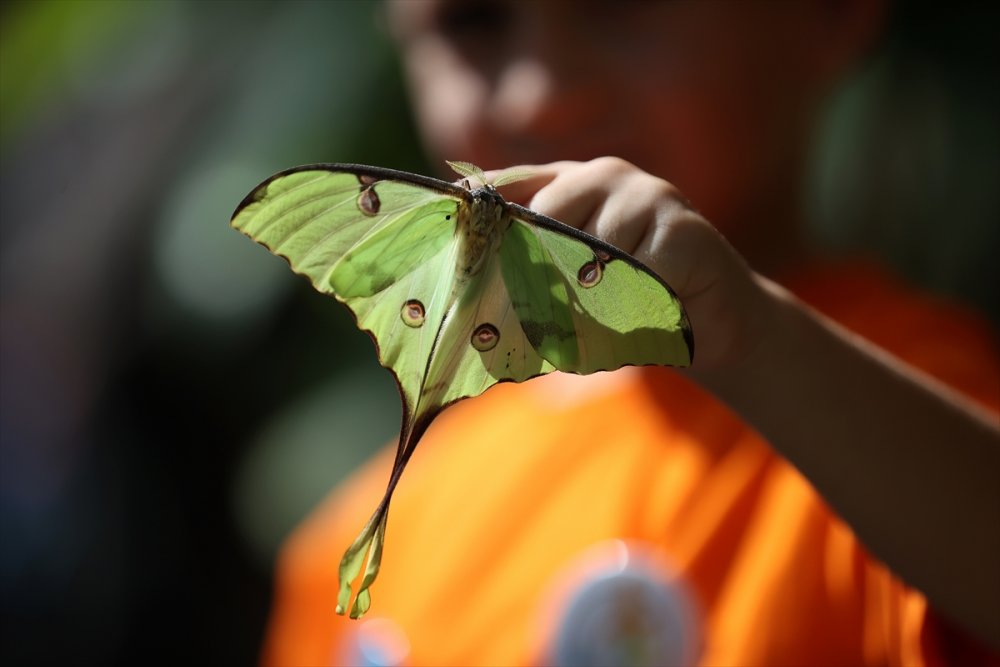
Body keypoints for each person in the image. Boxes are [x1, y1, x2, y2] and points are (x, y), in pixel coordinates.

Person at [262, 2, 1000, 665]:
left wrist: (754, 340)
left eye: (617, 5)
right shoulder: (361, 546)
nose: (541, 93)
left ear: (831, 15)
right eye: (472, 21)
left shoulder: (919, 429)